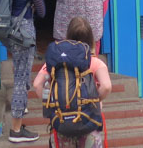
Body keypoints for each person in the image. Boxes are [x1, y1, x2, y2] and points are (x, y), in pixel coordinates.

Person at [32, 17, 113, 148]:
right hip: (89, 123)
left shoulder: (56, 61)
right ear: (91, 38)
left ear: (68, 36)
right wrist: (94, 100)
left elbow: (37, 84)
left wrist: (53, 103)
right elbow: (107, 86)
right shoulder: (95, 62)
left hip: (61, 123)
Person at [6, 0, 46, 144]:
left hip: (9, 31)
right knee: (22, 80)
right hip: (24, 32)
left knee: (18, 74)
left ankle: (18, 122)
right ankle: (15, 130)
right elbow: (42, 11)